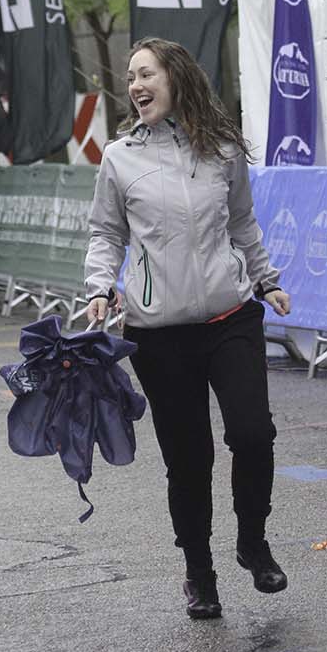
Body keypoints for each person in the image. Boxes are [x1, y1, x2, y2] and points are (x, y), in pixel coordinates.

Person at [83, 37, 292, 621]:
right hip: (160, 332)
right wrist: (100, 287)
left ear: (176, 78)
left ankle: (252, 541)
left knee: (252, 434)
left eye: (145, 73)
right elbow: (107, 234)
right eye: (129, 78)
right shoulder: (120, 157)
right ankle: (199, 572)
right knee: (189, 458)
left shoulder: (223, 149)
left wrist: (266, 278)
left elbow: (243, 222)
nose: (134, 85)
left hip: (232, 317)